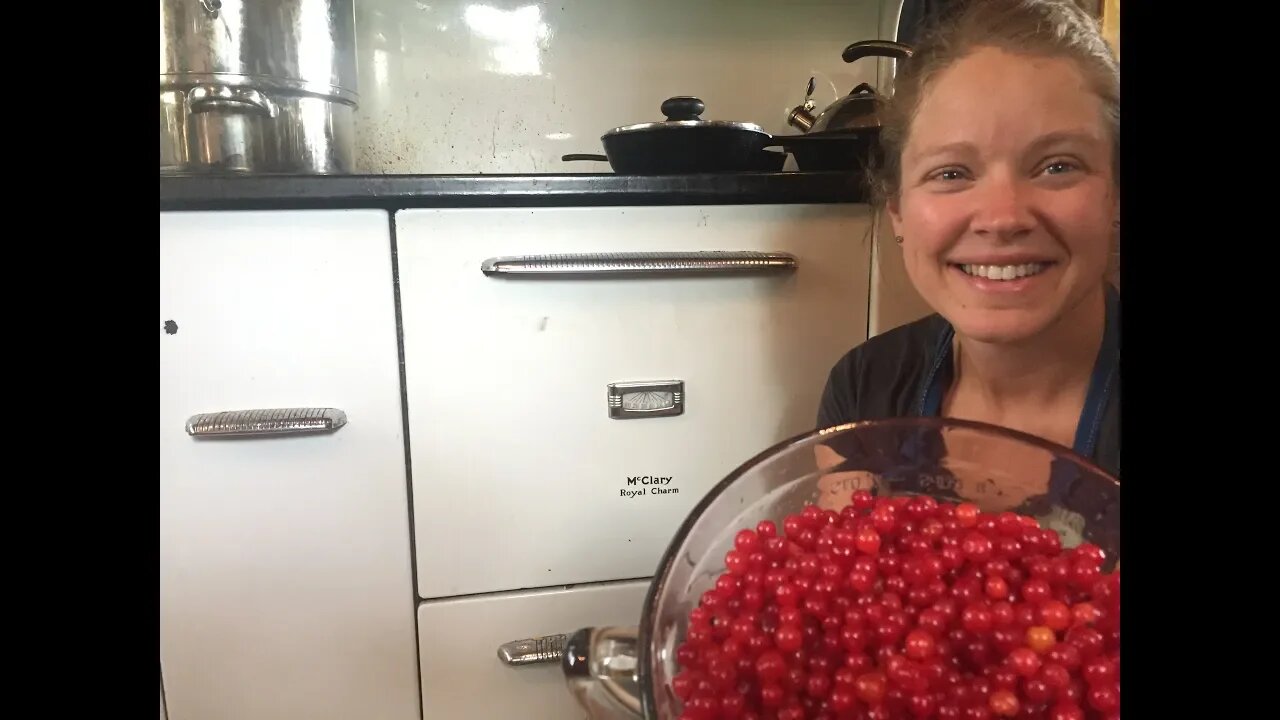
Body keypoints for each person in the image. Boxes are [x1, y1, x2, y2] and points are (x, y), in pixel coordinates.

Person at [815, 0, 1121, 492]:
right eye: (951, 173)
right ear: (897, 210)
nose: (1003, 218)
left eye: (1058, 166)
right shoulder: (865, 389)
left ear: (1115, 197)